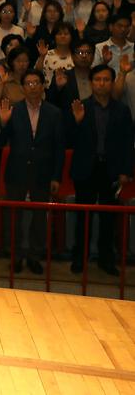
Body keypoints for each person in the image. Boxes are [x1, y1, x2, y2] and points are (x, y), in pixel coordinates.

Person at [0, 69, 65, 275]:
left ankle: (35, 256)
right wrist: (3, 122)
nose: (33, 87)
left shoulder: (54, 113)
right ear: (23, 88)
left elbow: (59, 148)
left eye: (37, 83)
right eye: (29, 83)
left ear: (43, 86)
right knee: (13, 218)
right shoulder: (13, 110)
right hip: (16, 171)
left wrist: (56, 176)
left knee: (38, 218)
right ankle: (15, 256)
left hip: (43, 172)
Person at [69, 64, 134, 276]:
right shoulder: (81, 107)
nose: (102, 84)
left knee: (108, 218)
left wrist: (126, 171)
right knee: (82, 218)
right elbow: (69, 141)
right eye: (97, 80)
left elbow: (127, 143)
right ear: (91, 82)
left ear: (112, 82)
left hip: (112, 170)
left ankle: (107, 260)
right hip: (86, 168)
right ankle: (79, 258)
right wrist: (76, 122)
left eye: (106, 80)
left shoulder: (122, 110)